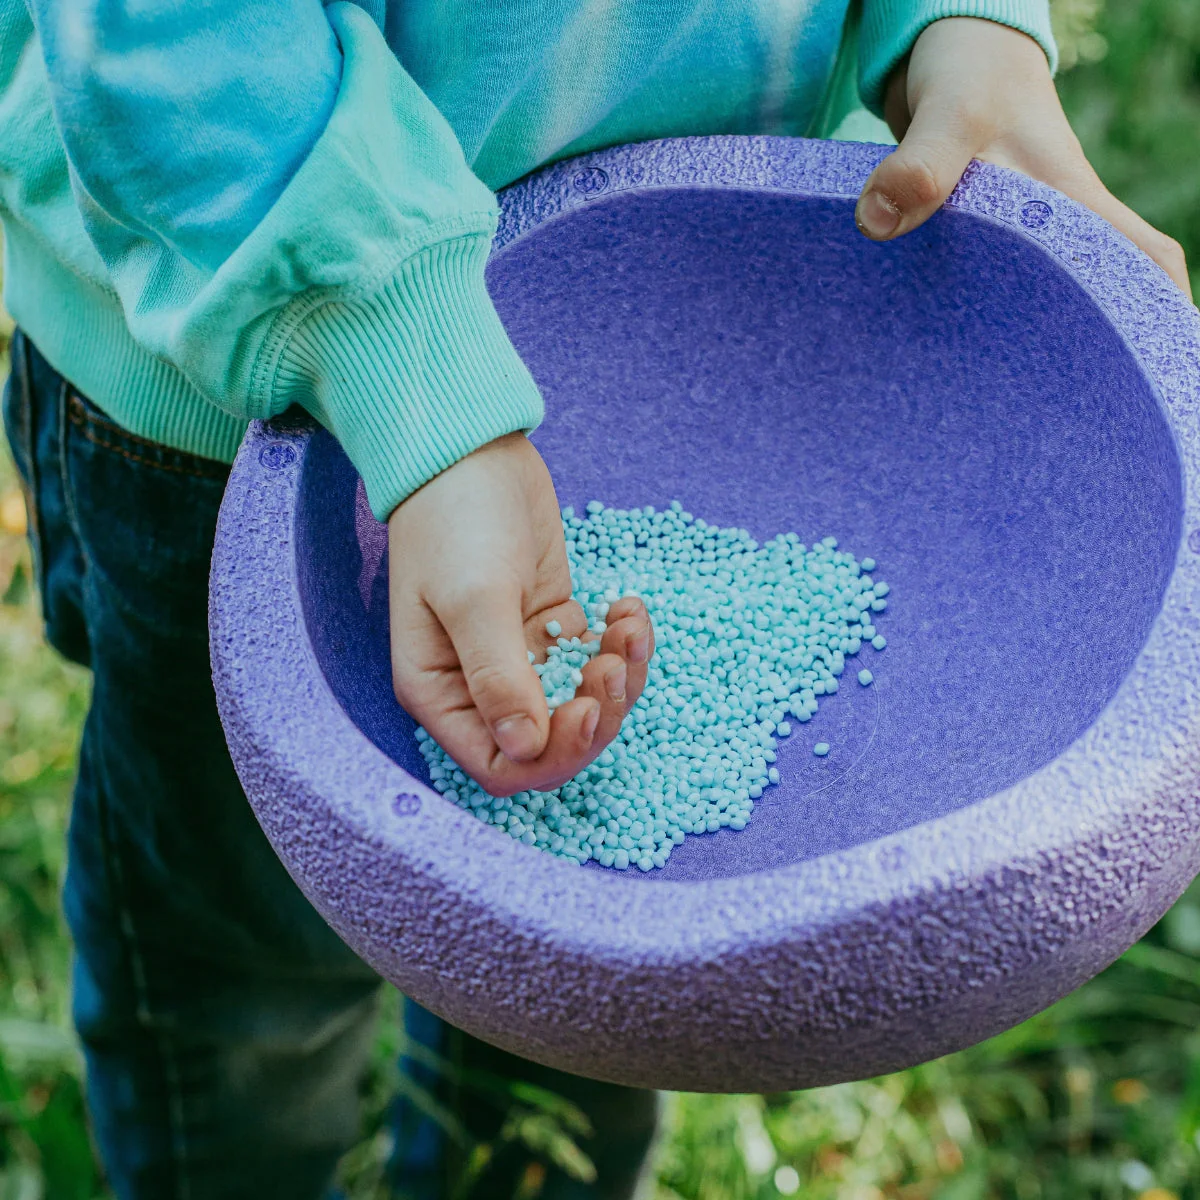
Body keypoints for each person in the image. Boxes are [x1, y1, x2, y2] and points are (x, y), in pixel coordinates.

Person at [0, 2, 1190, 1198]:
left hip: (689, 296)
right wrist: (403, 354)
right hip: (256, 350)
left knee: (584, 982)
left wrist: (956, 24)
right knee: (247, 970)